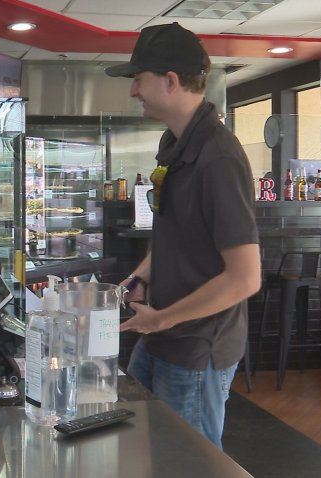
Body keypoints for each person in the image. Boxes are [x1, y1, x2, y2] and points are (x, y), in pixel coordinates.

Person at [105, 23, 261, 448]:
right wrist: (139, 276)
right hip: (160, 333)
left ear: (170, 81)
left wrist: (164, 317)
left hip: (195, 345)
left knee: (189, 463)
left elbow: (245, 278)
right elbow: (173, 232)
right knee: (139, 447)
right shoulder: (173, 144)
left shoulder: (219, 157)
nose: (134, 90)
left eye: (139, 79)